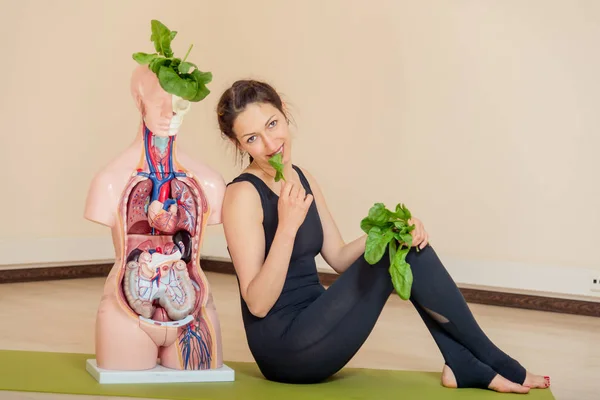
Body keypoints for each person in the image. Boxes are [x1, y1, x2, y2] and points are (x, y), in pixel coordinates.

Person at [215, 80, 550, 392]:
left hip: (317, 317)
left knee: (401, 243)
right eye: (252, 138)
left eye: (272, 124)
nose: (270, 144)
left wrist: (392, 227)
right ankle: (493, 361)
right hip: (285, 347)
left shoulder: (303, 177)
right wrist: (287, 228)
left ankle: (464, 361)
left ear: (284, 112)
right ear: (238, 144)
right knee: (395, 250)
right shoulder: (242, 195)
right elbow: (257, 304)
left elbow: (340, 257)